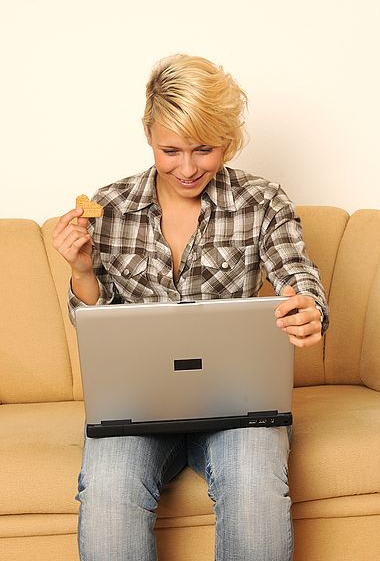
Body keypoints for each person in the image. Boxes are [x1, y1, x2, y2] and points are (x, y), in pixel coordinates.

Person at [52, 53, 329, 561]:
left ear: (229, 140)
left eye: (204, 149)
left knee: (256, 490)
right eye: (170, 149)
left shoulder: (261, 201)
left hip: (238, 408)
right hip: (136, 409)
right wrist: (82, 271)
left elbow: (297, 275)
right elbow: (95, 325)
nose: (187, 168)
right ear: (148, 133)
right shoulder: (109, 207)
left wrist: (307, 306)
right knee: (108, 496)